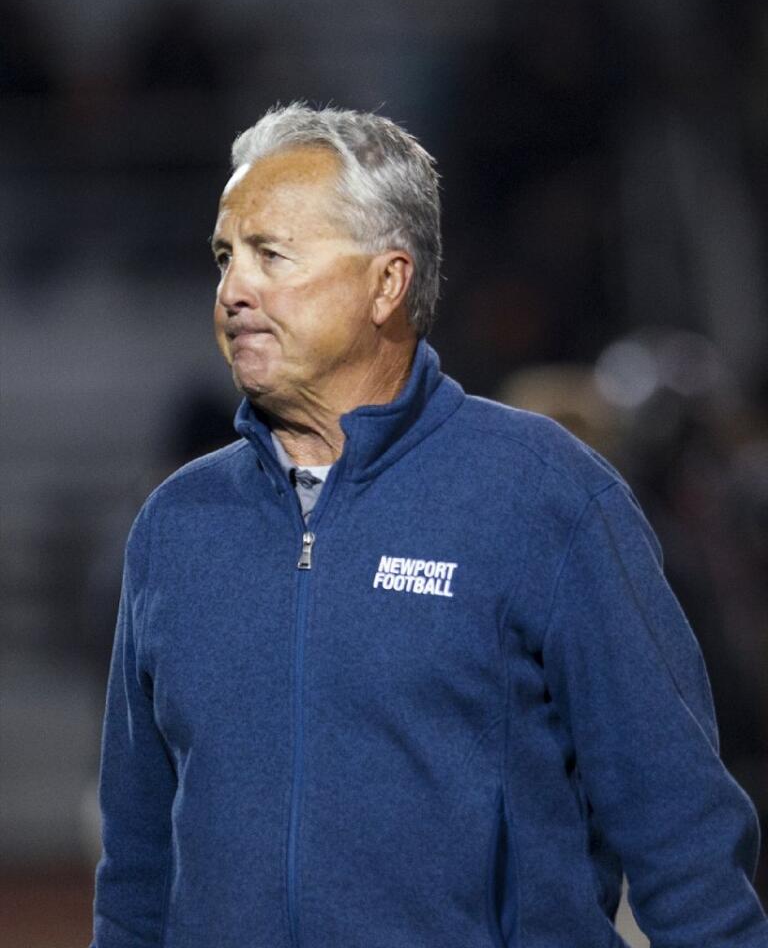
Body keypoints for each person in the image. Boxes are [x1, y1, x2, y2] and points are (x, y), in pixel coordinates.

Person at [90, 104, 768, 948]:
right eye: (226, 257)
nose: (234, 289)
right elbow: (137, 873)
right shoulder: (175, 527)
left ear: (387, 282)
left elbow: (683, 834)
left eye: (272, 254)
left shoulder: (544, 495)